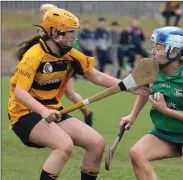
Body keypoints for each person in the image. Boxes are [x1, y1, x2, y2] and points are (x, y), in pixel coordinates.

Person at [8, 8, 149, 180]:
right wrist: (43, 111)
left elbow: (96, 76)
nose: (73, 37)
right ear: (54, 32)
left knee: (96, 143)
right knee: (64, 146)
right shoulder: (34, 56)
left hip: (55, 110)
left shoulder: (70, 54)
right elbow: (20, 92)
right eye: (70, 32)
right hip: (25, 113)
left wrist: (128, 86)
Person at [120, 26, 183, 180]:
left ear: (175, 52)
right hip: (165, 132)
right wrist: (133, 115)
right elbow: (145, 90)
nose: (154, 51)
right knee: (137, 154)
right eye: (154, 46)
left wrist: (165, 110)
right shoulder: (152, 70)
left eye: (160, 47)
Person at [40, 4, 94, 126]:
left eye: (46, 11)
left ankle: (86, 113)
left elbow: (69, 46)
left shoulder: (65, 27)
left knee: (69, 93)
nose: (43, 14)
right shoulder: (45, 29)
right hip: (52, 64)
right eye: (42, 11)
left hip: (65, 63)